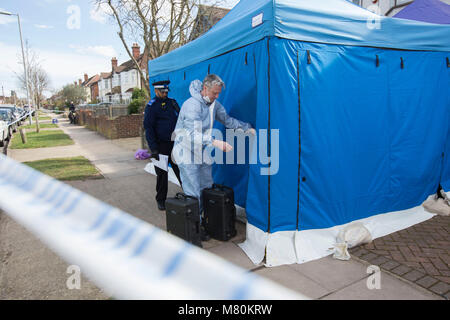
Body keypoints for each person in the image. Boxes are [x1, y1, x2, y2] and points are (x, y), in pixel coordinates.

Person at [173, 74, 255, 240]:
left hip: (202, 152)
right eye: (214, 93)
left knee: (206, 188)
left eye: (218, 94)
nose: (217, 97)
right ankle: (194, 229)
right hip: (186, 152)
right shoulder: (191, 106)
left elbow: (227, 120)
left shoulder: (213, 105)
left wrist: (246, 128)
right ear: (205, 88)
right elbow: (190, 134)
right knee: (193, 192)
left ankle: (204, 221)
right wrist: (215, 142)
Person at [144, 80, 182, 211]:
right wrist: (153, 147)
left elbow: (181, 119)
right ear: (156, 91)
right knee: (162, 174)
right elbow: (148, 128)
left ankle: (190, 195)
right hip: (159, 146)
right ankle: (161, 199)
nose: (165, 93)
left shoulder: (172, 103)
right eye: (163, 91)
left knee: (181, 170)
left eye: (166, 91)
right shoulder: (151, 106)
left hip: (174, 144)